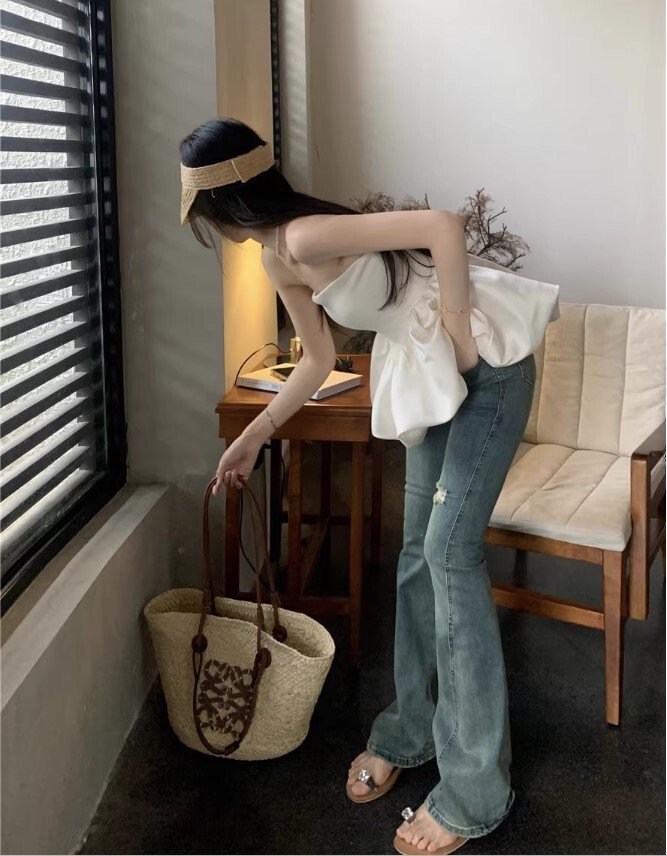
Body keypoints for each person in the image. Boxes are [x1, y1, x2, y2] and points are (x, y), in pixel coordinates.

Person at [179, 117, 560, 856]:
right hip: (432, 376)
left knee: (449, 556)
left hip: (486, 370)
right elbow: (316, 360)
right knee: (417, 553)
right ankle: (410, 729)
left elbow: (443, 226)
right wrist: (254, 435)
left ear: (219, 205)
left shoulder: (303, 236)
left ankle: (474, 789)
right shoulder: (278, 257)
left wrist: (459, 332)